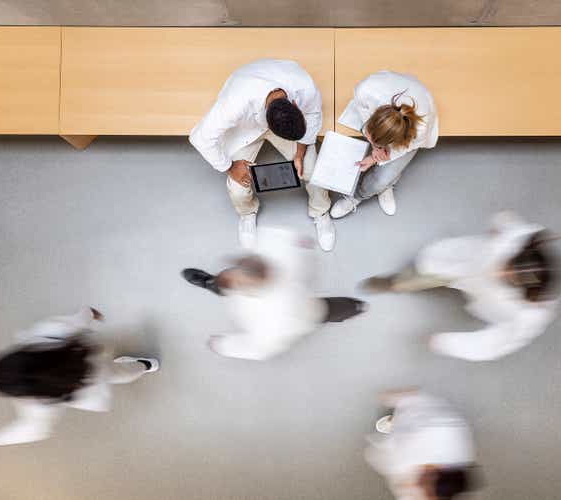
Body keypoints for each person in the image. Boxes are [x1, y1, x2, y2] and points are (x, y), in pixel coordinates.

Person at [361, 212, 561, 362]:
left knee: (447, 278)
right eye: (508, 266)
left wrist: (449, 343)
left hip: (478, 291)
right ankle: (396, 284)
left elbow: (495, 343)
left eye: (509, 279)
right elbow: (507, 221)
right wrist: (498, 226)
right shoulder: (518, 239)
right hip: (458, 263)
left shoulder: (528, 315)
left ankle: (403, 283)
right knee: (423, 274)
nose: (500, 273)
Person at [190, 59, 335, 251]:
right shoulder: (235, 103)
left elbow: (314, 114)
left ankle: (320, 212)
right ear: (266, 121)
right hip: (246, 128)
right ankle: (247, 213)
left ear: (295, 104)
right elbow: (200, 137)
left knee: (313, 169)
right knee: (238, 187)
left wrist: (299, 153)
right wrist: (230, 167)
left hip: (279, 113)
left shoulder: (304, 87)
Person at [0, 307, 159, 447]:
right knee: (118, 369)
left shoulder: (39, 402)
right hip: (86, 354)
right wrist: (88, 313)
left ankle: (144, 366)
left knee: (121, 375)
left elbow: (31, 429)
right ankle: (143, 365)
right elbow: (70, 323)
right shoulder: (38, 336)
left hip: (91, 382)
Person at [181, 227, 366, 360]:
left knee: (331, 310)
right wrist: (301, 245)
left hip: (309, 311)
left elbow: (258, 348)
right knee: (222, 284)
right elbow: (283, 241)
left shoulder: (273, 319)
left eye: (236, 281)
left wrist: (224, 346)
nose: (232, 277)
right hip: (294, 295)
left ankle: (355, 307)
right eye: (234, 272)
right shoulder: (277, 255)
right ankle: (211, 283)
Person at [330, 70, 439, 219]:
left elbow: (403, 148)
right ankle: (383, 184)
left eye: (378, 144)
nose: (371, 143)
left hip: (417, 118)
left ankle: (363, 194)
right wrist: (375, 147)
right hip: (398, 86)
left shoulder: (420, 130)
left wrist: (375, 158)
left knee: (381, 179)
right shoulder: (366, 90)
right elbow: (361, 109)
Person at [365, 389, 478, 500]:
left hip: (436, 412)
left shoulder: (459, 459)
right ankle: (393, 415)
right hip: (413, 410)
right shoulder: (405, 459)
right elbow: (375, 454)